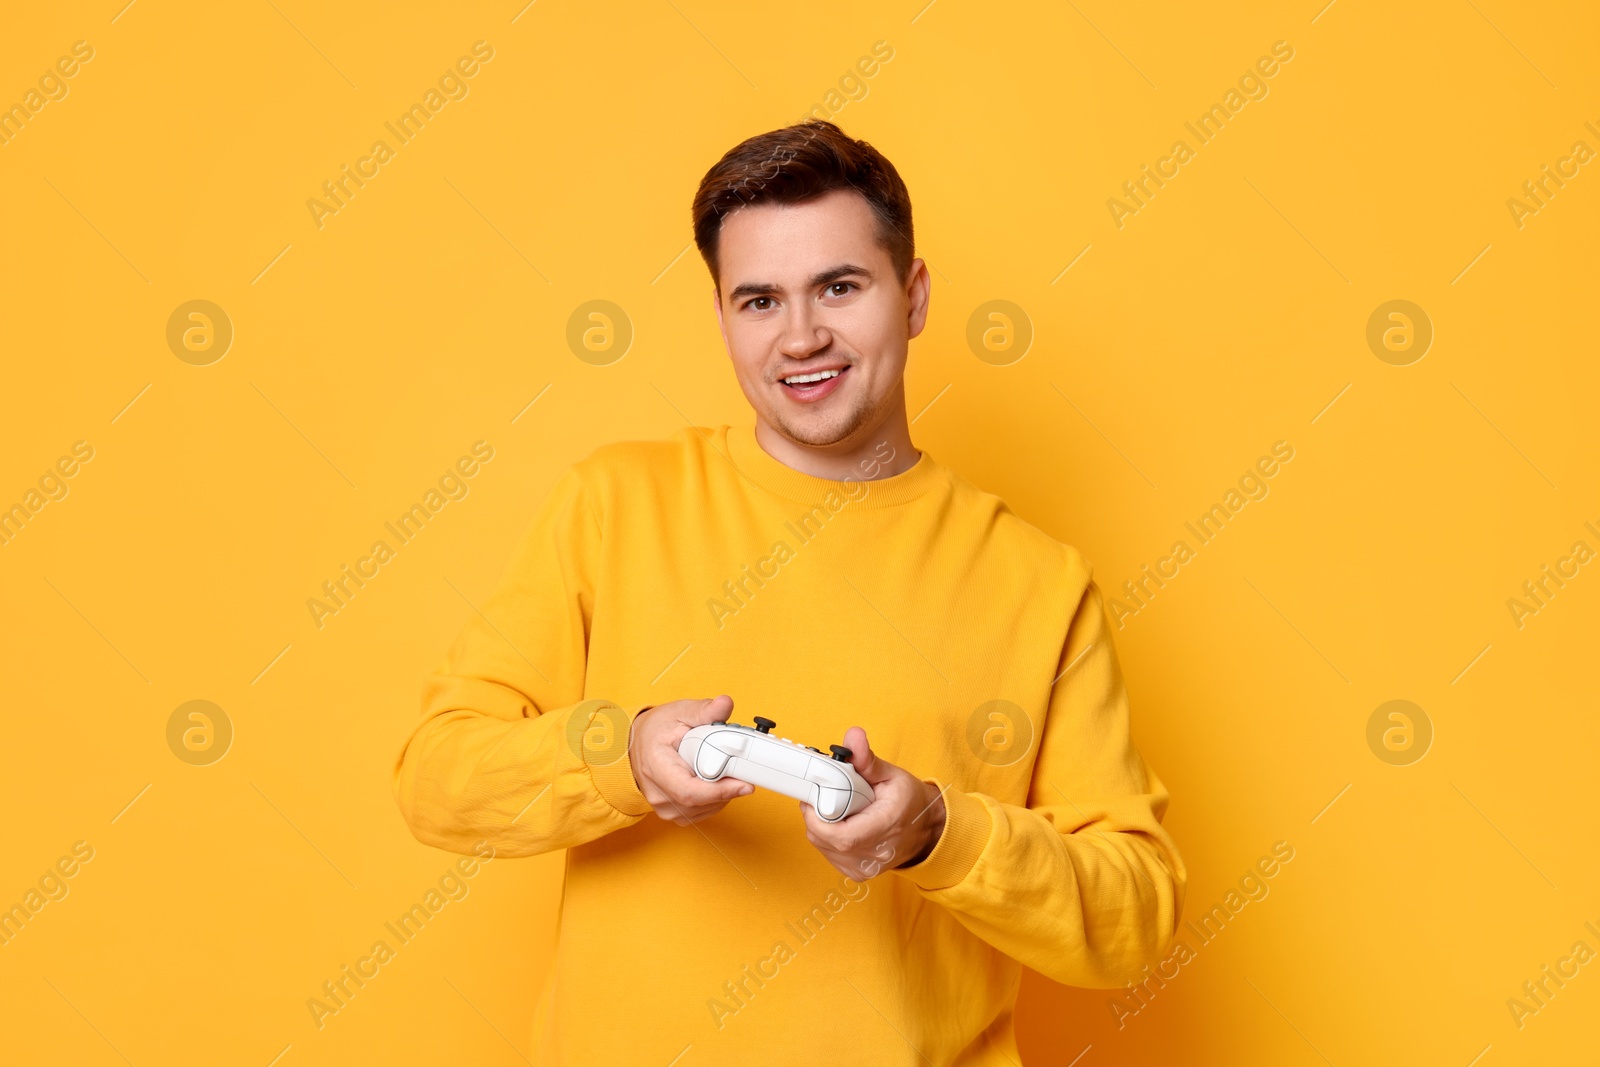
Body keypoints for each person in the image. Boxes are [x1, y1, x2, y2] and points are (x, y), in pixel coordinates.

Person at [393, 118, 1186, 1065]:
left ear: (914, 296)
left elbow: (1135, 918)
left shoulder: (1040, 582)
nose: (801, 337)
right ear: (722, 316)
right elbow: (437, 779)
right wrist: (626, 757)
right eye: (759, 300)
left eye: (839, 288)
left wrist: (940, 830)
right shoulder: (616, 503)